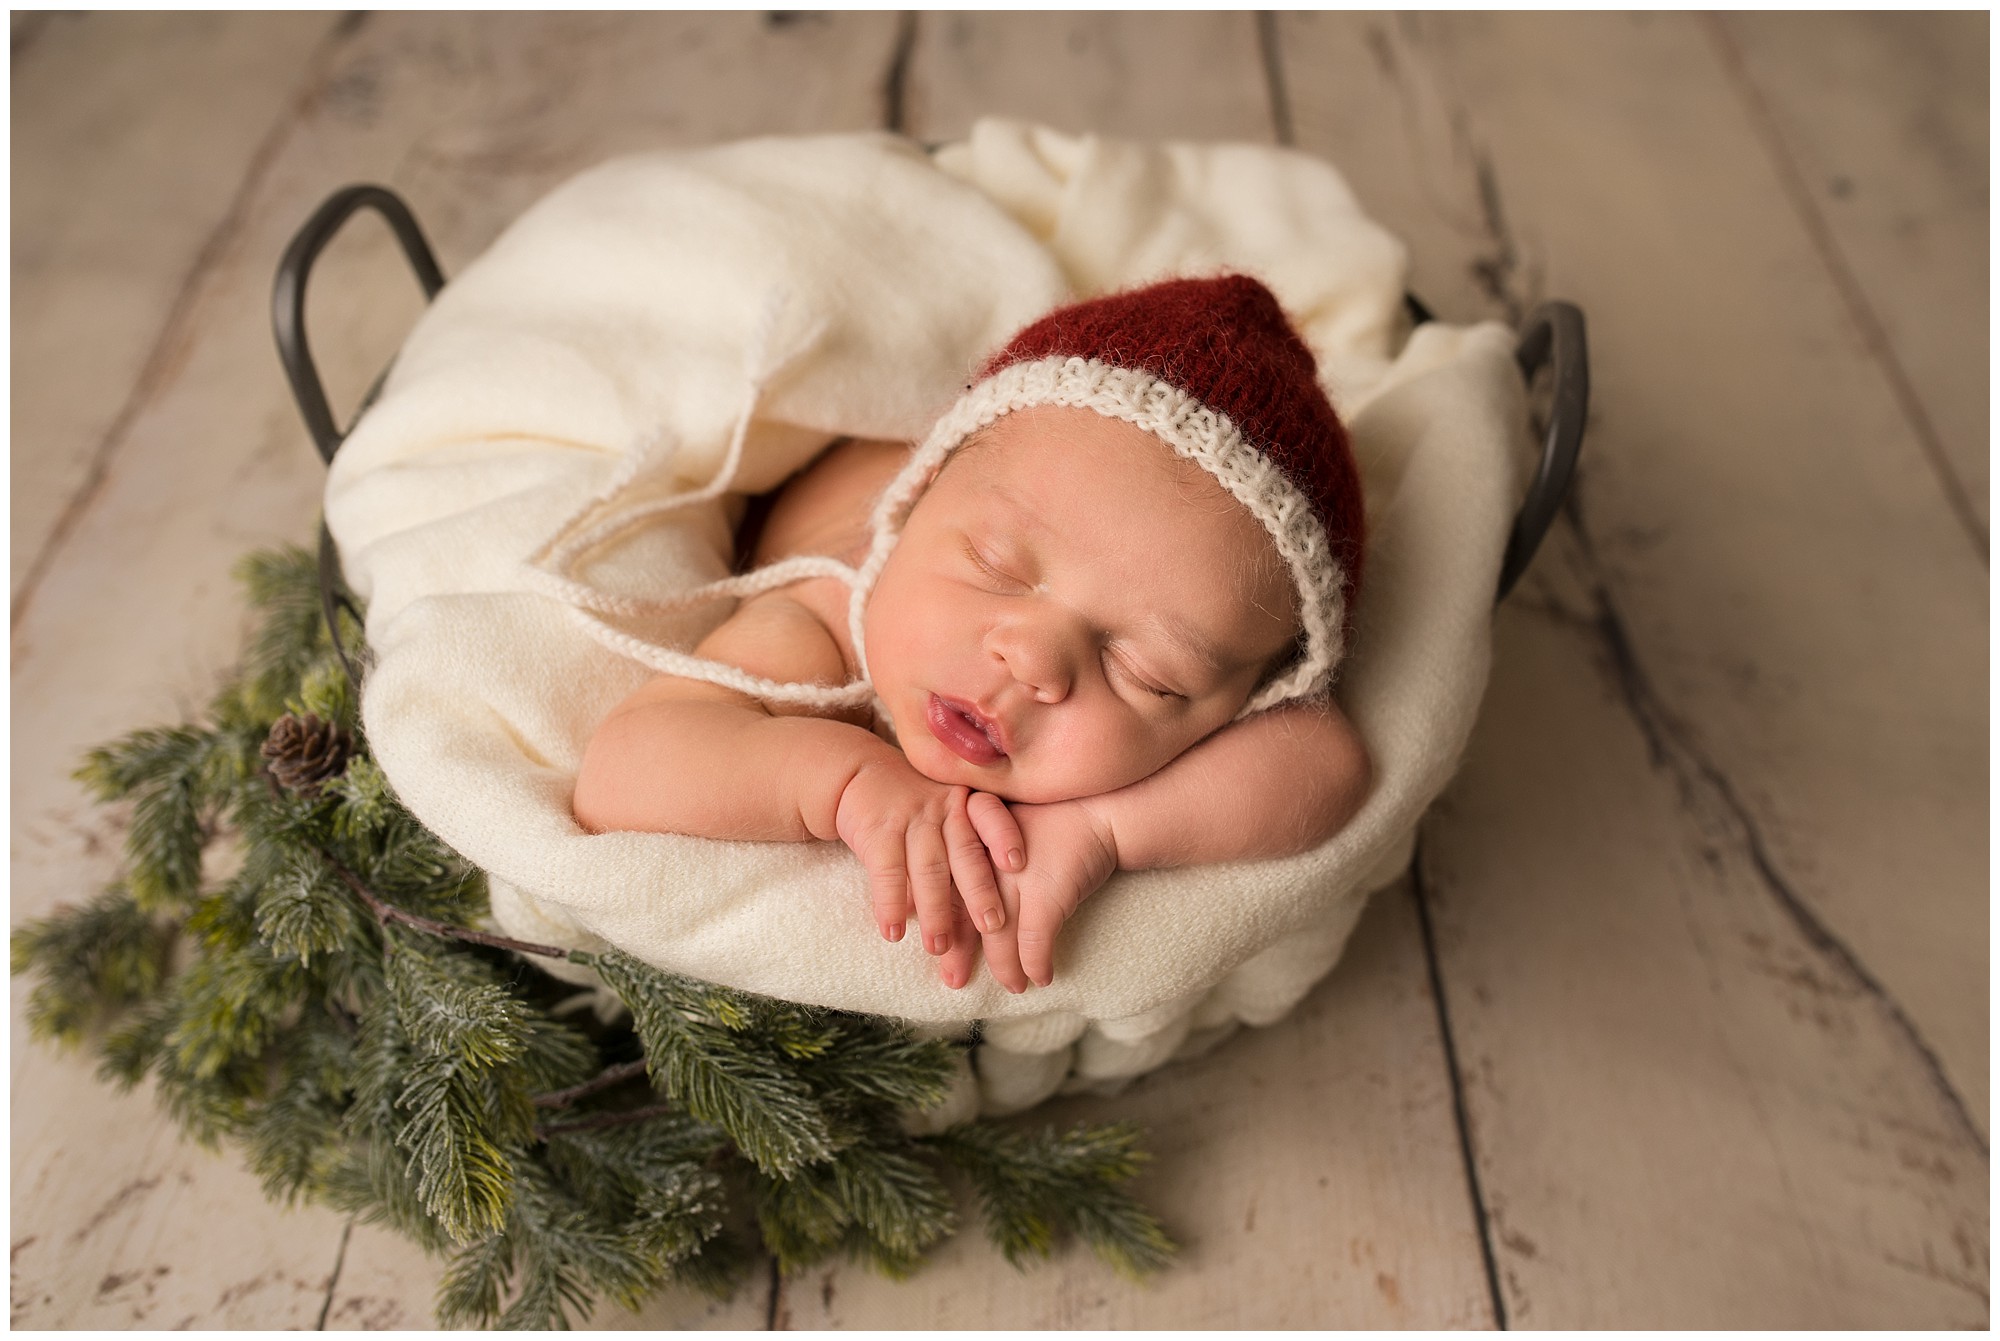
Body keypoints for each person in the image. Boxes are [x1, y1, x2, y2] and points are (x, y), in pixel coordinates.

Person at [572, 274, 1373, 994]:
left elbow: (1328, 763)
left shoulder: (1224, 685)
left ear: (1244, 703)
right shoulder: (825, 624)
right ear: (916, 499)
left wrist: (1104, 829)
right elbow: (622, 770)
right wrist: (838, 783)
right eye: (994, 566)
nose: (1031, 657)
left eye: (1145, 672)